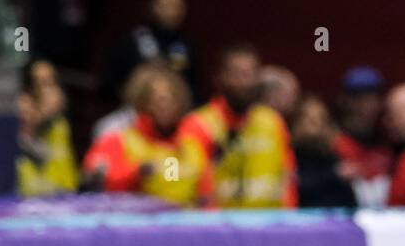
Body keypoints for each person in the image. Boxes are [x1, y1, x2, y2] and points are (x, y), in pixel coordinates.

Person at [177, 43, 296, 209]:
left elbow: (287, 178)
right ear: (220, 77)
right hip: (219, 227)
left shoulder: (272, 121)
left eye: (250, 74)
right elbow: (189, 183)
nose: (245, 81)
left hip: (269, 226)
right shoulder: (198, 125)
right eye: (237, 74)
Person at [82, 66, 205, 206]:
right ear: (143, 102)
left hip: (183, 222)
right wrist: (136, 171)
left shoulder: (191, 144)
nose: (165, 106)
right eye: (158, 101)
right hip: (133, 221)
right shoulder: (119, 140)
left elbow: (184, 185)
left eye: (171, 100)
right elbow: (93, 175)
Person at [101, 0, 201, 108]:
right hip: (132, 111)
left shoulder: (185, 45)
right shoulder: (133, 39)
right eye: (165, 6)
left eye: (176, 7)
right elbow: (110, 82)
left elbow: (193, 87)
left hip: (176, 115)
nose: (171, 12)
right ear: (152, 7)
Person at [16, 59, 79, 196]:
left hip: (64, 191)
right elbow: (26, 140)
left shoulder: (60, 118)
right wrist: (43, 114)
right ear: (29, 87)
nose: (50, 89)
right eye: (42, 83)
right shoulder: (23, 110)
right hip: (34, 195)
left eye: (52, 81)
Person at [333, 66, 392, 207]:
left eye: (371, 97)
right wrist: (333, 175)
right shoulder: (332, 142)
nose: (364, 105)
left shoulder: (390, 138)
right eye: (357, 98)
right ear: (345, 100)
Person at [291, 96, 357, 209]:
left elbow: (348, 196)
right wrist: (334, 174)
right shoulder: (292, 153)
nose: (316, 125)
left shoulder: (330, 153)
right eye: (310, 119)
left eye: (320, 119)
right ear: (297, 122)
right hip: (303, 216)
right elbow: (297, 185)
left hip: (335, 215)